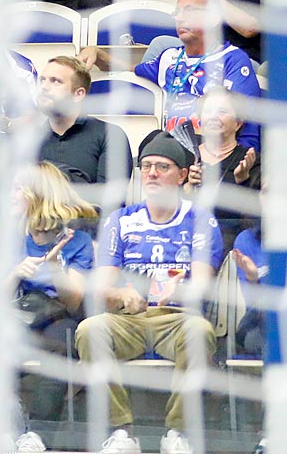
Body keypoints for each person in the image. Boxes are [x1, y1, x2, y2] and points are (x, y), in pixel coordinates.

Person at [77, 135, 218, 454]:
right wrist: (122, 296)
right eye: (146, 166)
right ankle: (120, 432)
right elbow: (101, 289)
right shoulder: (121, 220)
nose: (151, 173)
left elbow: (202, 282)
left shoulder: (200, 219)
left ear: (182, 175)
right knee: (89, 329)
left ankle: (178, 433)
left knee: (200, 331)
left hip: (178, 319)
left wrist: (180, 288)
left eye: (162, 167)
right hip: (128, 320)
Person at [83, 0, 263, 149]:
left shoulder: (233, 60)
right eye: (177, 12)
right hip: (172, 153)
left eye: (190, 11)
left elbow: (248, 129)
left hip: (216, 156)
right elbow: (130, 70)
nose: (180, 18)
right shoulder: (169, 57)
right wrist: (98, 54)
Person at [10, 162, 98, 452]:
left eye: (18, 189)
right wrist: (15, 274)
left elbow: (74, 303)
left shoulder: (78, 241)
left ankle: (38, 435)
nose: (11, 195)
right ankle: (3, 421)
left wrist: (54, 268)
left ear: (39, 195)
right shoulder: (10, 238)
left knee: (64, 341)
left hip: (58, 317)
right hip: (18, 316)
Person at [24, 56, 128, 191]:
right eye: (42, 80)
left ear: (78, 94)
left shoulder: (110, 135)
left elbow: (110, 201)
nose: (44, 87)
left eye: (55, 81)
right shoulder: (29, 139)